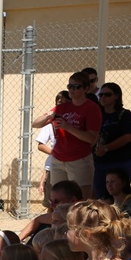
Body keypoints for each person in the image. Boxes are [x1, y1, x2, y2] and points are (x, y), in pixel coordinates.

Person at [31, 71, 102, 199]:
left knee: (81, 200)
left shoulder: (91, 108)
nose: (72, 90)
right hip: (58, 159)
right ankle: (61, 219)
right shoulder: (62, 107)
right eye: (70, 86)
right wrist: (49, 116)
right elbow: (35, 124)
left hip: (79, 159)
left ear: (86, 88)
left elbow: (91, 138)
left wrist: (68, 127)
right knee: (58, 199)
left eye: (76, 87)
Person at [92, 82, 131, 200]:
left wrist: (107, 148)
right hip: (100, 163)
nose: (103, 97)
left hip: (122, 161)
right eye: (101, 95)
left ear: (116, 96)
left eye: (107, 94)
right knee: (101, 196)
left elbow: (128, 136)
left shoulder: (124, 115)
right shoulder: (97, 114)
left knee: (120, 195)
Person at [18, 180, 82, 243]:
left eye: (56, 201)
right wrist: (16, 241)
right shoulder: (59, 214)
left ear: (73, 200)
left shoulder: (81, 218)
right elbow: (38, 219)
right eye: (50, 201)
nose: (51, 205)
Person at [37, 91, 71, 209]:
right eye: (59, 103)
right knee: (53, 201)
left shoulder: (74, 122)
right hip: (55, 164)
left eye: (66, 102)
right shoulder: (50, 123)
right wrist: (55, 152)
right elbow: (40, 145)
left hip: (72, 162)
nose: (62, 105)